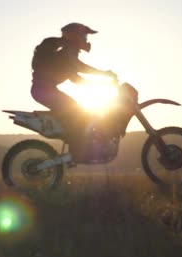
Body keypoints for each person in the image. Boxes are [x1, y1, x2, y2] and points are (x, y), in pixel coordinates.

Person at [30, 23, 117, 159]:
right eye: (84, 35)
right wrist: (103, 77)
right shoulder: (67, 52)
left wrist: (101, 78)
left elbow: (76, 74)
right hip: (44, 90)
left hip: (44, 90)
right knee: (79, 114)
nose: (86, 39)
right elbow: (78, 71)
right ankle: (76, 153)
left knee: (78, 114)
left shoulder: (65, 52)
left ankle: (77, 149)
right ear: (74, 36)